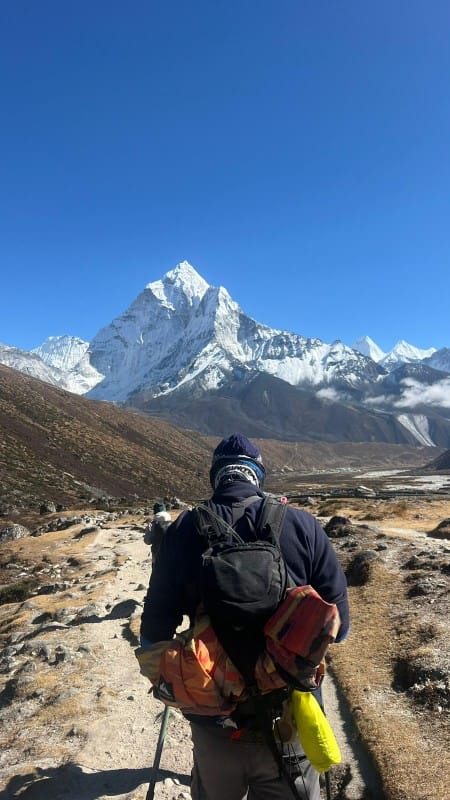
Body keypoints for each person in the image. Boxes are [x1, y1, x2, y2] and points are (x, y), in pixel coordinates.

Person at [140, 434, 350, 800]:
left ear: (217, 475)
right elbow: (340, 628)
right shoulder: (303, 525)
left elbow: (154, 630)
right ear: (257, 475)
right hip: (290, 713)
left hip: (213, 717)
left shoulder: (184, 529)